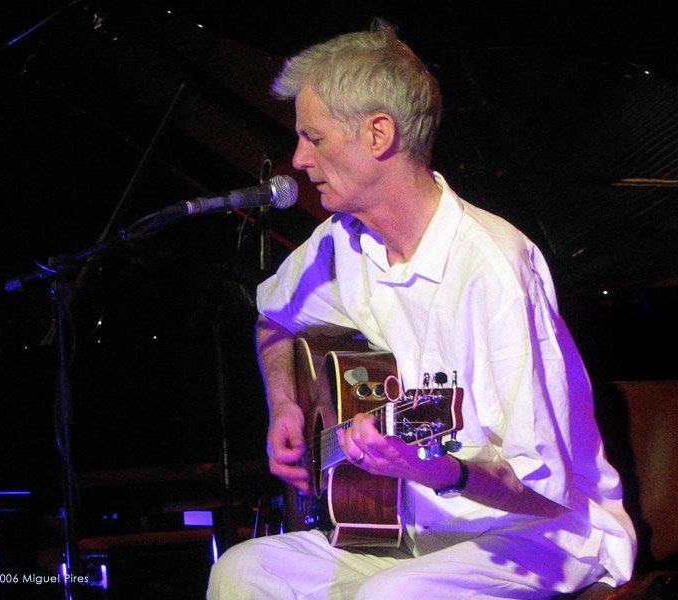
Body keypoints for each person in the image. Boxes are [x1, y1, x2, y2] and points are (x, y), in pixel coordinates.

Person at [207, 19, 636, 599]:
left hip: (537, 533)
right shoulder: (341, 242)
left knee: (393, 595)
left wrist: (441, 471)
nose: (299, 159)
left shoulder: (494, 268)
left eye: (314, 137)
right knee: (241, 571)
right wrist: (284, 403)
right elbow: (273, 319)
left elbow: (543, 489)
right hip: (410, 532)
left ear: (378, 134)